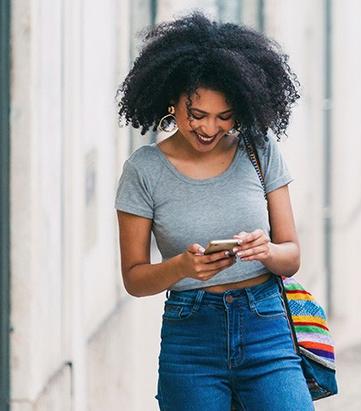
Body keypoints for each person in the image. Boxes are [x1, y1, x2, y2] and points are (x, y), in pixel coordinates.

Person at [114, 12, 313, 411]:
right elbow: (134, 278)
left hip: (266, 326)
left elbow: (291, 256)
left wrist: (266, 251)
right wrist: (183, 268)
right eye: (198, 115)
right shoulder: (144, 170)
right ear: (173, 101)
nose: (210, 128)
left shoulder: (260, 150)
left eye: (225, 117)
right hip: (191, 339)